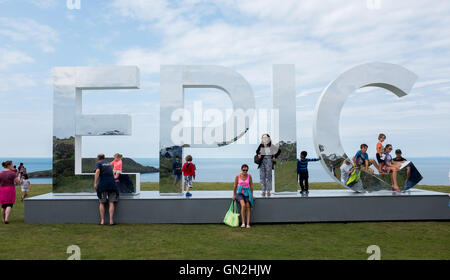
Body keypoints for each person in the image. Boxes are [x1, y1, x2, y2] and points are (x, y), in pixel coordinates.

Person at [94, 154, 119, 226]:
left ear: (98, 158)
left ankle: (102, 221)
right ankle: (111, 221)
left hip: (103, 184)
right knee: (111, 202)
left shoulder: (98, 163)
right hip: (112, 184)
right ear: (104, 158)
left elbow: (97, 171)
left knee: (102, 202)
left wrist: (95, 183)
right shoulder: (108, 163)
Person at [232, 164, 254, 228]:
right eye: (244, 170)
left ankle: (248, 224)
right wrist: (234, 195)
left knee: (248, 206)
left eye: (246, 170)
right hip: (239, 193)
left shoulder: (249, 176)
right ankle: (243, 223)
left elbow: (251, 186)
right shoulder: (237, 176)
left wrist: (252, 195)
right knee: (243, 205)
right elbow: (235, 186)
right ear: (241, 169)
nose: (245, 171)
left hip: (247, 193)